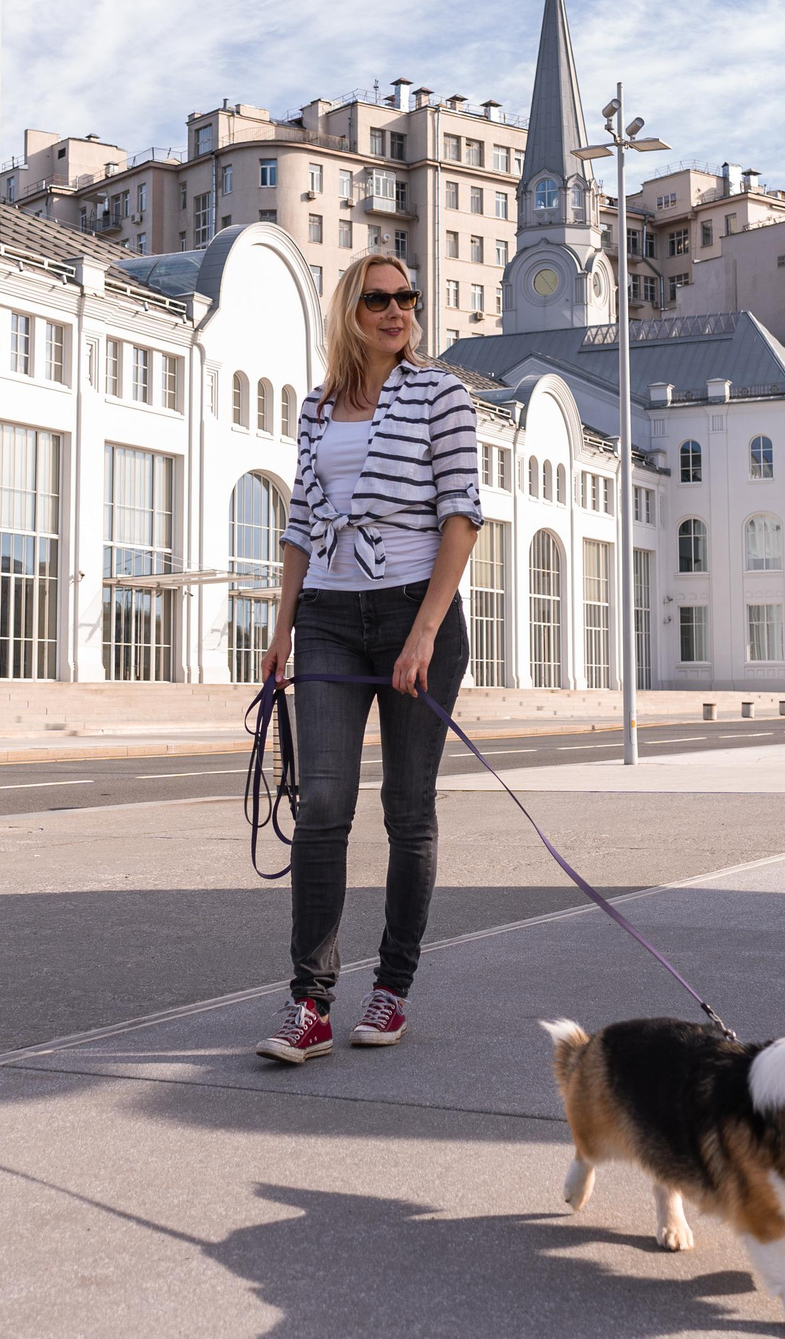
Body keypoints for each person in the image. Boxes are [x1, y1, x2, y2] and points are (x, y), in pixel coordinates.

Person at [253, 253, 482, 1064]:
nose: (397, 310)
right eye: (380, 299)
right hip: (328, 617)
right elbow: (299, 523)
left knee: (408, 808)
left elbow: (462, 514)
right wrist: (281, 631)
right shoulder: (317, 408)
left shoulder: (441, 394)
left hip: (415, 612)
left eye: (406, 298)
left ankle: (392, 986)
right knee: (321, 805)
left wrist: (424, 629)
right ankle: (308, 1002)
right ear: (351, 310)